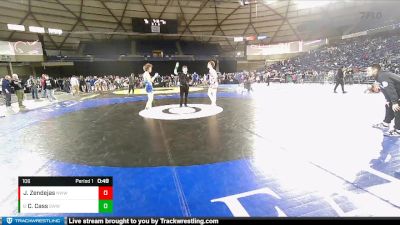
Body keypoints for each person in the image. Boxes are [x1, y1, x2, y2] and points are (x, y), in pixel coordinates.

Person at [369, 64, 400, 137]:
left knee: (397, 108)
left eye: (369, 70)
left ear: (375, 70)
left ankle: (398, 130)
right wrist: (388, 100)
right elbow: (386, 91)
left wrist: (395, 102)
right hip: (398, 93)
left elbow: (390, 89)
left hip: (398, 93)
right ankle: (386, 123)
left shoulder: (382, 76)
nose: (367, 71)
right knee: (388, 105)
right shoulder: (378, 78)